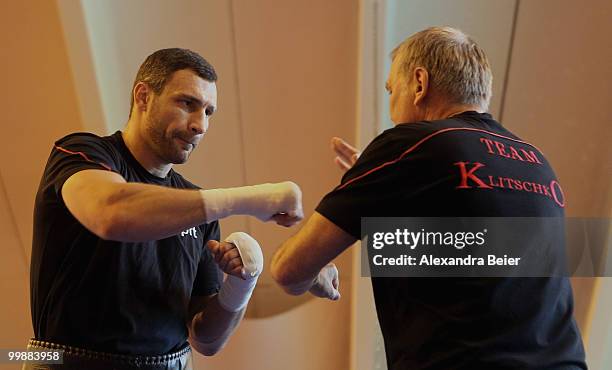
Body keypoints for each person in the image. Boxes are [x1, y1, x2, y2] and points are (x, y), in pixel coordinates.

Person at [270, 27, 587, 369]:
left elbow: (289, 270)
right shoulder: (538, 163)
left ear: (419, 83)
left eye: (392, 90)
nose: (392, 110)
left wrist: (315, 276)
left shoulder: (412, 143)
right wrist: (388, 186)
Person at [28, 48, 303, 370]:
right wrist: (251, 198)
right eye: (188, 104)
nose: (200, 125)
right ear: (143, 97)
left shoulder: (197, 205)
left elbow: (206, 341)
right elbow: (111, 213)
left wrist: (241, 286)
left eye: (209, 112)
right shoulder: (81, 152)